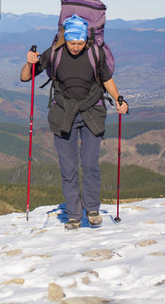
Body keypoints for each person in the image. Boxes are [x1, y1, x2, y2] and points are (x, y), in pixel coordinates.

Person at [20, 14, 128, 230]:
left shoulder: (95, 54)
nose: (76, 47)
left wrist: (119, 100)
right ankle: (74, 215)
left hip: (91, 111)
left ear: (85, 40)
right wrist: (29, 62)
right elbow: (25, 77)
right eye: (72, 43)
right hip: (63, 113)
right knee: (68, 168)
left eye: (79, 43)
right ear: (65, 39)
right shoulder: (55, 54)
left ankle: (93, 209)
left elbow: (106, 79)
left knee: (89, 164)